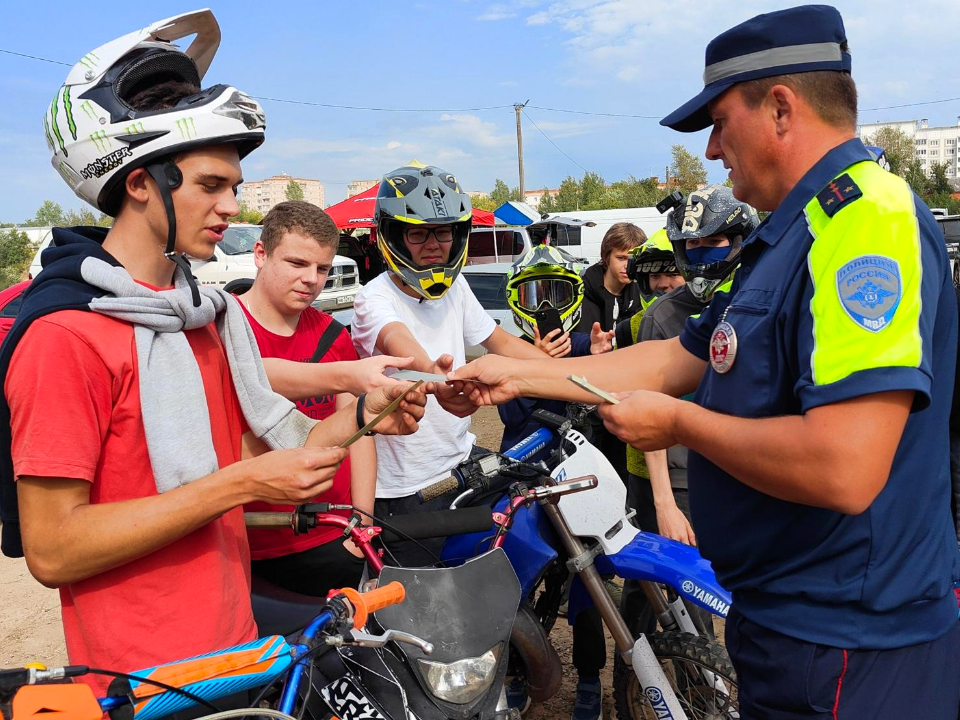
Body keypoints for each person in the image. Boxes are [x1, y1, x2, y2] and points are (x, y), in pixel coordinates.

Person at [450, 6, 960, 717]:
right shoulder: (791, 237)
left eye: (720, 122)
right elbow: (677, 358)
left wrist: (682, 426)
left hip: (853, 642)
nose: (714, 149)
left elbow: (845, 465)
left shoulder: (862, 221)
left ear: (780, 108)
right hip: (792, 625)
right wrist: (515, 375)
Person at [0, 12, 425, 694]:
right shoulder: (65, 337)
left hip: (233, 646)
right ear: (139, 182)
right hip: (145, 678)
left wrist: (368, 413)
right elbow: (51, 547)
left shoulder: (204, 316)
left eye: (233, 184)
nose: (232, 206)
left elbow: (274, 455)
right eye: (210, 185)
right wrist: (236, 487)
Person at [351, 162, 547, 567]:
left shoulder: (455, 287)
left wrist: (572, 373)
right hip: (404, 489)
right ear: (393, 236)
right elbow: (400, 345)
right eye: (417, 232)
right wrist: (437, 377)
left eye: (443, 232)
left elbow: (499, 341)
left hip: (461, 462)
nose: (433, 244)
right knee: (416, 609)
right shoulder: (373, 298)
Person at [236, 201, 375, 597]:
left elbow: (360, 429)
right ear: (261, 254)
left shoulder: (332, 333)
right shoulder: (224, 329)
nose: (311, 279)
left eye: (323, 268)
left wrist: (362, 522)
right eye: (297, 263)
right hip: (253, 541)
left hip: (333, 534)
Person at [499, 245, 613, 720]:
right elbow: (512, 410)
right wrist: (535, 366)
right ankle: (516, 673)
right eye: (532, 294)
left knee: (590, 584)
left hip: (583, 483)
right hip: (526, 482)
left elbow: (610, 388)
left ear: (574, 297)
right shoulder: (509, 352)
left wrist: (603, 355)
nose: (544, 307)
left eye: (555, 293)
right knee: (514, 583)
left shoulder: (590, 343)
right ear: (515, 301)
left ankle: (589, 678)